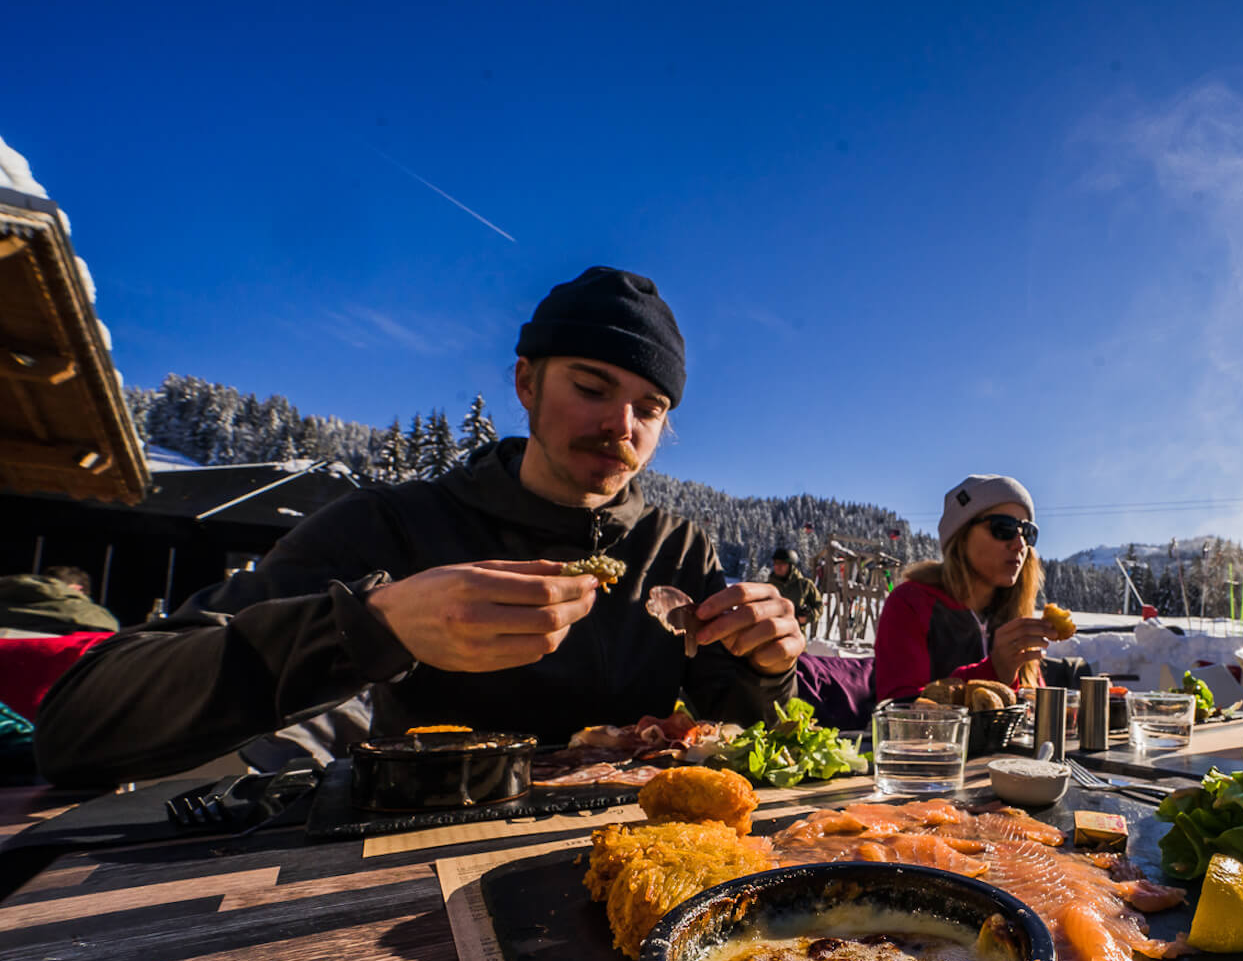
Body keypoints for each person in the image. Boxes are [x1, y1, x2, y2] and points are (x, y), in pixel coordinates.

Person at [35, 267, 804, 786]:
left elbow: (731, 730)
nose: (621, 425)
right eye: (593, 386)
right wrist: (370, 626)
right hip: (413, 873)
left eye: (650, 407)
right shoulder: (396, 526)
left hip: (630, 860)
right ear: (527, 384)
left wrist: (764, 668)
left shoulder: (678, 549)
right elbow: (82, 722)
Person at [871, 474, 1056, 703]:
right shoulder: (911, 603)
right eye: (1004, 528)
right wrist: (994, 670)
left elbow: (1032, 706)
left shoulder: (1013, 611)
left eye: (1027, 532)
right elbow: (898, 710)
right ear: (961, 536)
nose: (1019, 544)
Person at [768, 547, 823, 633]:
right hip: (772, 636)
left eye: (782, 563)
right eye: (776, 563)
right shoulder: (767, 587)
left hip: (796, 636)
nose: (778, 566)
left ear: (791, 566)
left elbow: (819, 606)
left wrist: (807, 617)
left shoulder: (805, 585)